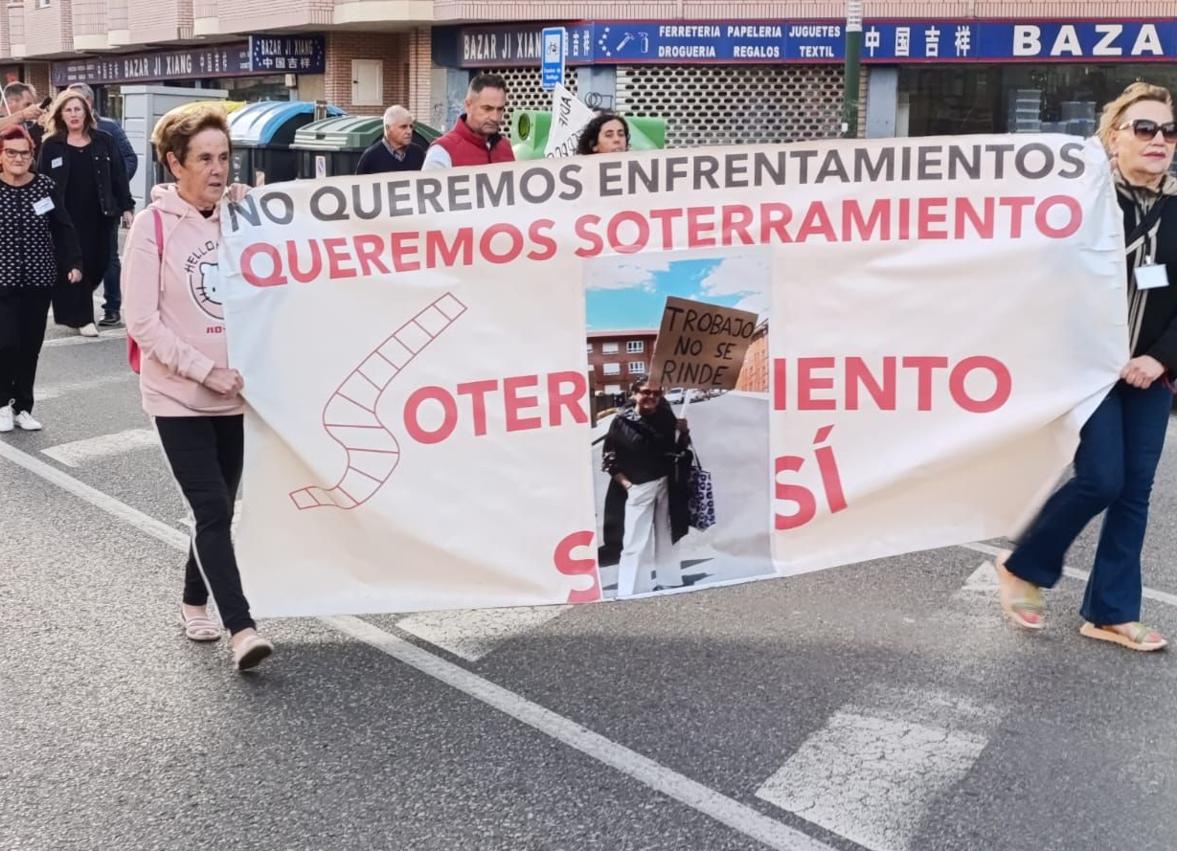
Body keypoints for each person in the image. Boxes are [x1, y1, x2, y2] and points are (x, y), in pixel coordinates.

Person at [996, 81, 1177, 652]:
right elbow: (1042, 278)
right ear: (1112, 137)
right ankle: (1026, 562)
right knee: (1102, 477)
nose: (1159, 140)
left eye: (1169, 132)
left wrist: (1160, 357)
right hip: (1087, 369)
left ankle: (1111, 612)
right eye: (1144, 129)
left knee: (1133, 495)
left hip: (1152, 374)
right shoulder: (1082, 200)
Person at [122, 104, 273, 671]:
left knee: (217, 510)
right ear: (173, 164)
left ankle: (193, 600)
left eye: (224, 157)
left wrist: (255, 213)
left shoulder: (239, 216)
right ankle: (242, 628)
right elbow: (143, 322)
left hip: (236, 397)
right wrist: (205, 371)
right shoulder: (152, 227)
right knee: (210, 507)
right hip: (178, 396)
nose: (217, 168)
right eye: (204, 158)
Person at [0, 125, 81, 433]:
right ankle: (1, 402)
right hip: (2, 280)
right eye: (11, 152)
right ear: (1, 155)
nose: (18, 158)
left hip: (37, 278)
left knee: (29, 346)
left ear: (32, 155)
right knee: (5, 343)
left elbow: (62, 226)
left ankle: (23, 407)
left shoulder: (44, 186)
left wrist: (73, 261)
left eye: (24, 152)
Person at [37, 90, 133, 337]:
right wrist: (40, 214)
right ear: (60, 114)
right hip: (65, 217)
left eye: (77, 109)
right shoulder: (51, 145)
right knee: (74, 261)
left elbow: (119, 175)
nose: (73, 114)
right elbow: (41, 181)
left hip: (101, 212)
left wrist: (126, 206)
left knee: (98, 262)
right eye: (68, 110)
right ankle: (83, 317)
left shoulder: (103, 140)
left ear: (87, 112)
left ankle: (73, 309)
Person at [603, 380, 693, 597]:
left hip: (666, 482)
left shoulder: (665, 416)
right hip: (638, 486)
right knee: (634, 541)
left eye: (656, 393)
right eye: (645, 392)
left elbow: (678, 450)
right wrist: (628, 485)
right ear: (634, 394)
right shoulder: (621, 421)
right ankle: (631, 589)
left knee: (668, 534)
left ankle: (670, 582)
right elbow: (609, 459)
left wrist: (683, 432)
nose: (651, 397)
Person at [69, 82, 139, 329]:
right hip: (76, 207)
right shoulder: (65, 131)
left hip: (106, 205)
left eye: (77, 104)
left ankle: (112, 308)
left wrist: (113, 184)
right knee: (78, 255)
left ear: (88, 103)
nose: (73, 111)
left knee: (108, 255)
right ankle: (81, 310)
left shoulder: (108, 128)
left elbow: (129, 159)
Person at [423, 74, 514, 170]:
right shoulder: (442, 151)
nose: (495, 117)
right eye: (487, 108)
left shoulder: (505, 147)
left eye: (500, 109)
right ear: (468, 105)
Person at [356, 104, 425, 175]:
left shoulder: (418, 153)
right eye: (403, 127)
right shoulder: (371, 156)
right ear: (388, 128)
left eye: (411, 126)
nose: (409, 131)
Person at [2, 82, 45, 154]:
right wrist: (23, 114)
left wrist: (40, 125)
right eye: (27, 104)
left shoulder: (26, 125)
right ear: (10, 103)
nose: (31, 108)